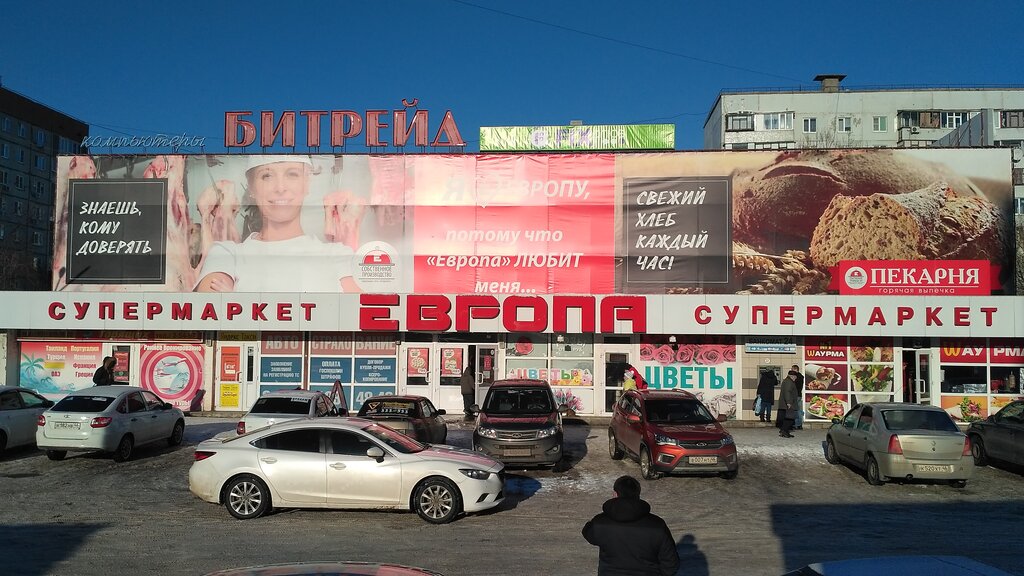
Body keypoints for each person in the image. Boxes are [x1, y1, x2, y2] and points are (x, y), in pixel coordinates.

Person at [194, 156, 358, 293]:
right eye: (267, 176)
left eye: (292, 175)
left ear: (307, 183)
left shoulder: (339, 255)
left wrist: (240, 302)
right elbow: (211, 314)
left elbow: (359, 317)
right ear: (251, 187)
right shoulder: (226, 254)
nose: (280, 188)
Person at [582, 475, 681, 576]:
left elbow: (587, 532)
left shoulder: (601, 523)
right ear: (638, 494)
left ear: (615, 494)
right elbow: (671, 563)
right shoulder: (657, 525)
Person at [778, 367, 800, 438]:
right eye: (795, 377)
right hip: (789, 403)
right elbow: (787, 392)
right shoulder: (789, 382)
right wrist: (788, 402)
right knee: (790, 418)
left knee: (788, 418)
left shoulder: (787, 381)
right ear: (792, 376)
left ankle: (785, 431)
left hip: (788, 403)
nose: (795, 379)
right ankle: (784, 431)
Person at [792, 364, 806, 430]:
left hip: (795, 395)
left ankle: (796, 424)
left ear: (795, 369)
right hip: (799, 395)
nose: (791, 370)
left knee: (795, 410)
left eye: (792, 369)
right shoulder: (801, 377)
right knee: (799, 410)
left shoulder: (795, 377)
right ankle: (800, 425)